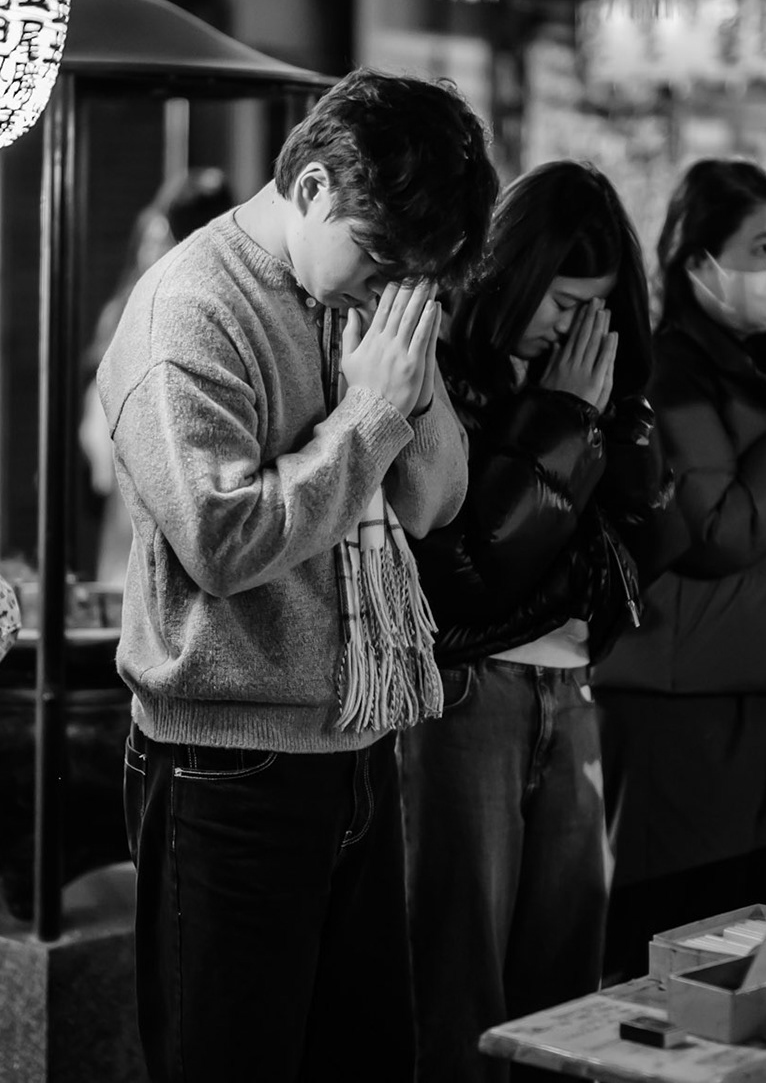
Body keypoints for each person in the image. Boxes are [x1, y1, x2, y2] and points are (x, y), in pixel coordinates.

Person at [97, 69, 498, 1083]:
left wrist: (407, 388)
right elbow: (221, 542)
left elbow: (433, 500)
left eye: (419, 275)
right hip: (225, 763)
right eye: (378, 256)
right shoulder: (191, 310)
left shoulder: (370, 297)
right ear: (315, 186)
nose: (388, 286)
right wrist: (366, 417)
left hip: (356, 739)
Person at [405, 161, 676, 1081]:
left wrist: (615, 426)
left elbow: (650, 542)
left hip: (572, 685)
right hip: (464, 695)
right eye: (560, 298)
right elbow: (470, 571)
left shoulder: (590, 382)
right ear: (512, 272)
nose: (574, 325)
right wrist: (562, 416)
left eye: (596, 306)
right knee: (459, 969)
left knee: (568, 978)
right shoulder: (442, 365)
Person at [594, 160, 766, 978]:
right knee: (686, 942)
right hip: (690, 702)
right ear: (697, 262)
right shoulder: (668, 371)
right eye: (760, 248)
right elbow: (719, 530)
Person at [80, 168, 233, 584]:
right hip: (122, 470)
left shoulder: (204, 308)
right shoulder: (128, 306)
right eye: (150, 236)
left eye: (163, 235)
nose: (154, 247)